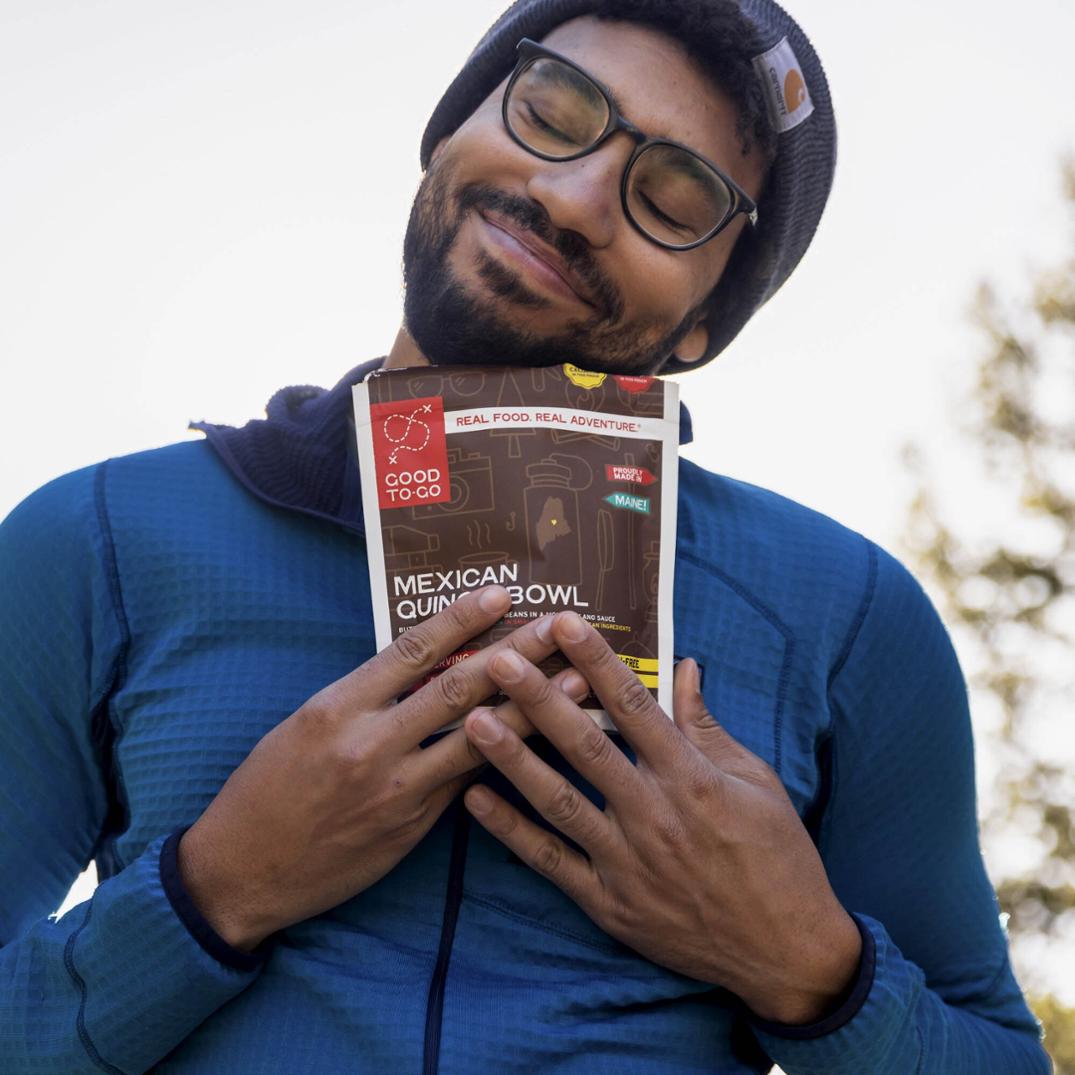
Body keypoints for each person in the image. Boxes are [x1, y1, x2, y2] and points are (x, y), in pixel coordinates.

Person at [0, 0, 1053, 1072]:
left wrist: (810, 965)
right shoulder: (97, 540)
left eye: (675, 197)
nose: (575, 197)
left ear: (703, 321)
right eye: (555, 108)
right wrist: (213, 888)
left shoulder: (848, 618)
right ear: (452, 128)